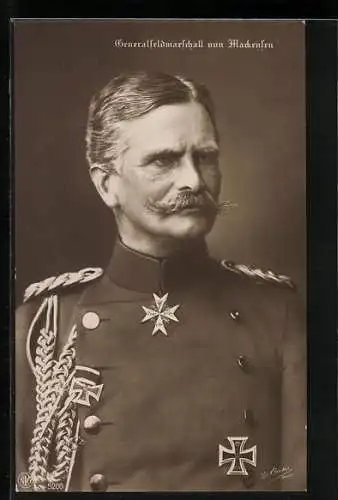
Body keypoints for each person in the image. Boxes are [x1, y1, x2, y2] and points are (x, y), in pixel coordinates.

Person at [15, 71, 306, 492]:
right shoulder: (43, 326)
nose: (193, 180)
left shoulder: (276, 314)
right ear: (106, 185)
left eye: (204, 157)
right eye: (163, 160)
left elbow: (303, 479)